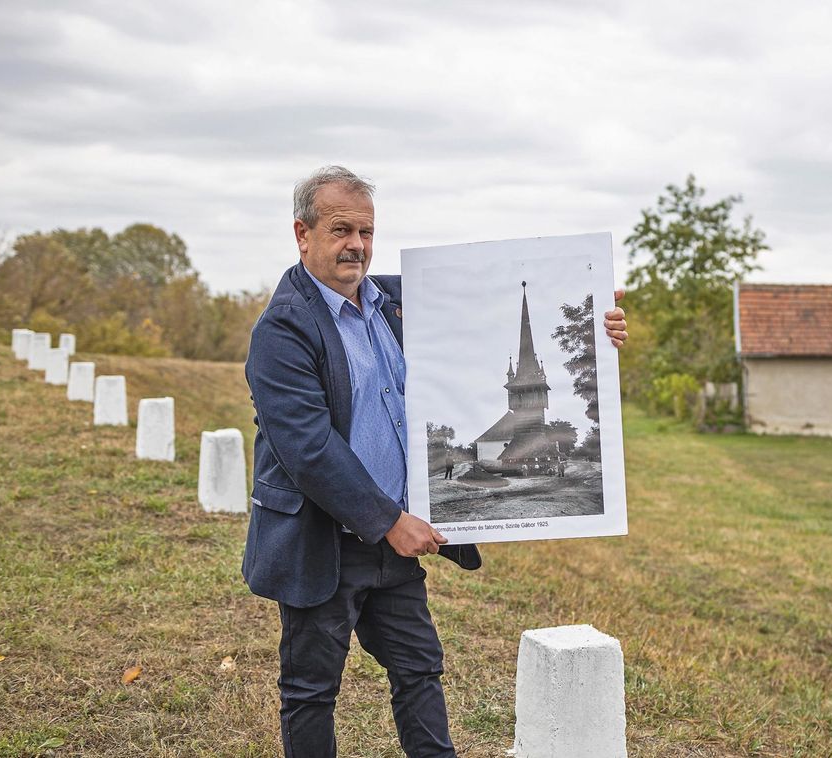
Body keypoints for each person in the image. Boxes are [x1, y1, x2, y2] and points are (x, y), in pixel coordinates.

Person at [242, 165, 629, 757]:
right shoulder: (282, 330)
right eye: (342, 229)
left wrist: (593, 313)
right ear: (303, 233)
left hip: (395, 540)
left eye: (367, 231)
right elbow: (307, 447)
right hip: (326, 540)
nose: (358, 245)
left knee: (420, 671)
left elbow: (483, 304)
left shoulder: (395, 301)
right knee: (312, 691)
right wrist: (389, 523)